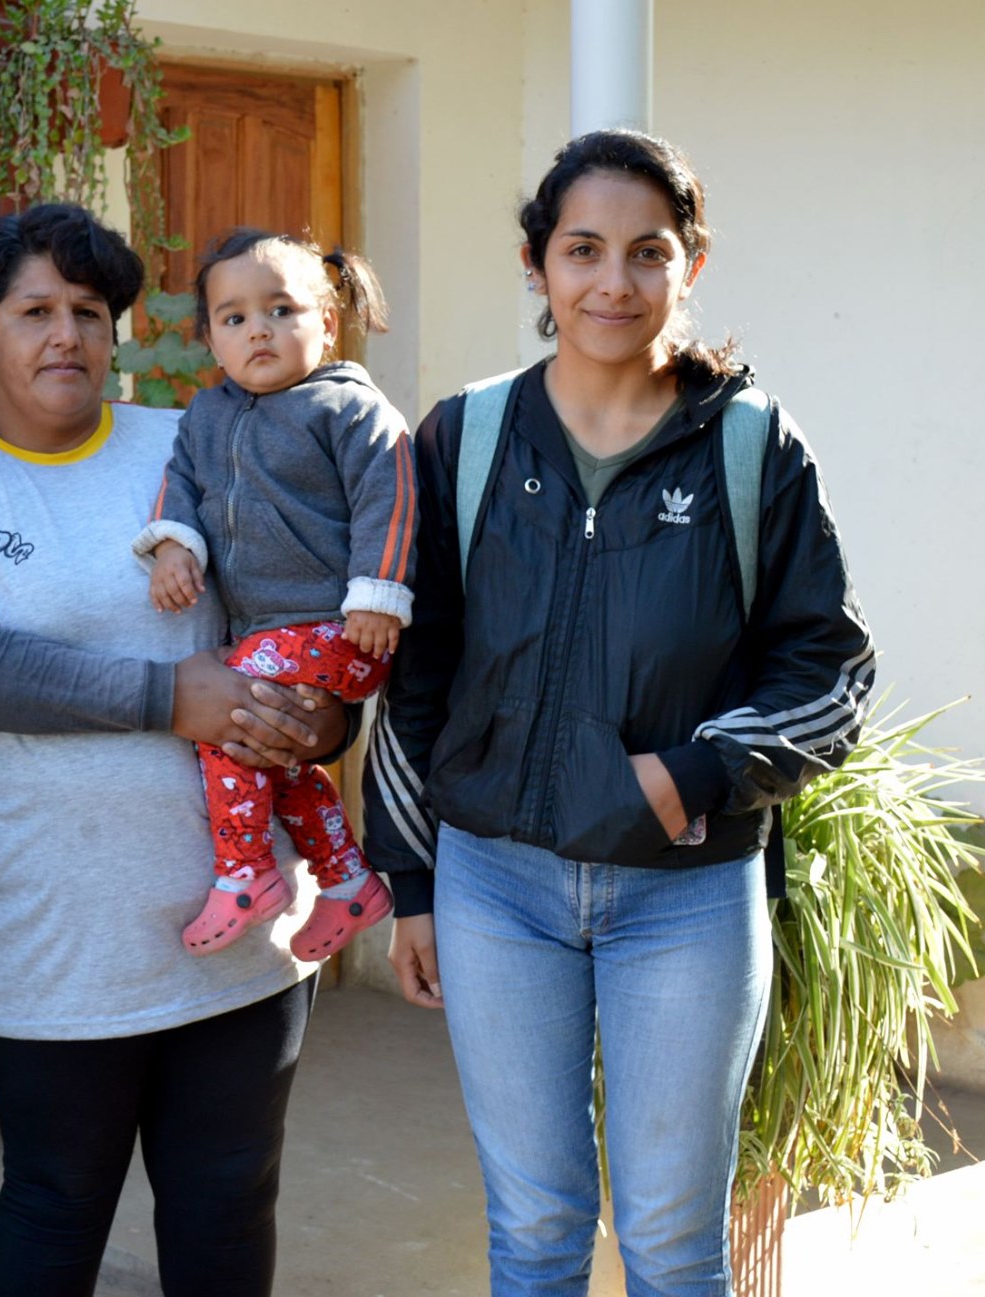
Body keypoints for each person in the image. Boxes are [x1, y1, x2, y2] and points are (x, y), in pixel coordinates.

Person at [363, 130, 875, 1295]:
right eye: (581, 248)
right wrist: (412, 882)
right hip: (494, 884)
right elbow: (416, 670)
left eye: (647, 251)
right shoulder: (465, 436)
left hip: (684, 893)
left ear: (689, 263)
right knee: (533, 1227)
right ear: (536, 264)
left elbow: (828, 666)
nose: (613, 281)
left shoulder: (749, 445)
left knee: (672, 1238)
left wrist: (691, 773)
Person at [0, 203, 348, 1297]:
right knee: (57, 1198)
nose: (66, 335)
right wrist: (167, 695)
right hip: (53, 937)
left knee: (229, 1198)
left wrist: (327, 718)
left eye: (88, 311)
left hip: (244, 923)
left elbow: (297, 601)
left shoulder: (195, 441)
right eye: (33, 311)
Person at [134, 229, 410, 958]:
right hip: (267, 636)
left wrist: (378, 592)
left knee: (232, 708)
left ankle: (245, 871)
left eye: (282, 310)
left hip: (343, 630)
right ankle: (348, 882)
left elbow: (392, 498)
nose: (259, 329)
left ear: (328, 321)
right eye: (235, 318)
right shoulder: (206, 416)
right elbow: (180, 483)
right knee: (274, 757)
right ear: (210, 340)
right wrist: (173, 545)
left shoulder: (348, 408)